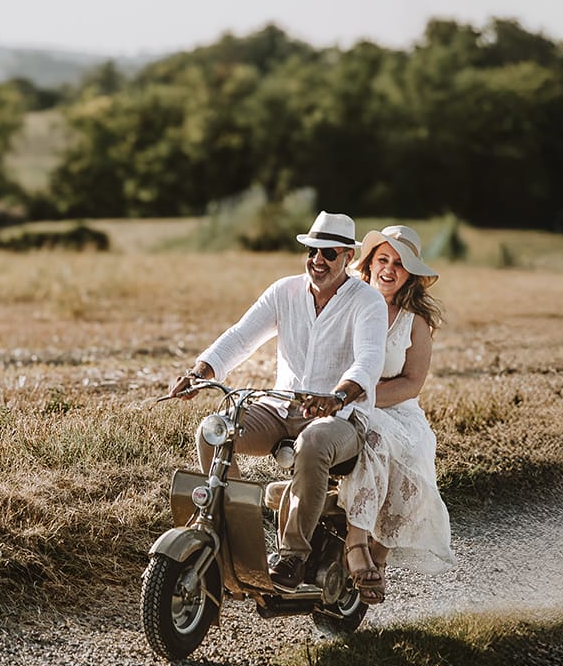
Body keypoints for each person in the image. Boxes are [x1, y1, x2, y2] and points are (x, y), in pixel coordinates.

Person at [166, 210, 386, 588]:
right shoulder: (283, 290)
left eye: (328, 253)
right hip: (280, 407)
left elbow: (369, 360)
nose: (318, 260)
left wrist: (337, 397)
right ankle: (232, 533)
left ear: (348, 257)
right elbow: (240, 337)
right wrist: (200, 373)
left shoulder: (367, 302)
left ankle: (293, 555)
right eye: (312, 251)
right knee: (213, 431)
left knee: (313, 443)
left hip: (340, 419)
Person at [338, 224, 454, 602]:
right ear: (368, 264)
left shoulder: (413, 321)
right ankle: (344, 537)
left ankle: (372, 550)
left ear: (410, 276)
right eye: (382, 259)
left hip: (397, 411)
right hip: (345, 402)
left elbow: (411, 382)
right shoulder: (347, 304)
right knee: (361, 434)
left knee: (396, 446)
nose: (389, 269)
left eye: (399, 264)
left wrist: (361, 399)